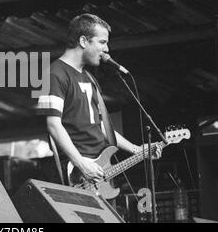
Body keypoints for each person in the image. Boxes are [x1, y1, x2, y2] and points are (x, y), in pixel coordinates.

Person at [37, 13, 161, 186]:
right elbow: (53, 125)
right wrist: (81, 163)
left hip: (101, 169)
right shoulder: (53, 74)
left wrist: (137, 150)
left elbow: (102, 126)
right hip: (80, 172)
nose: (107, 49)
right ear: (83, 41)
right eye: (102, 42)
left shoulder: (89, 78)